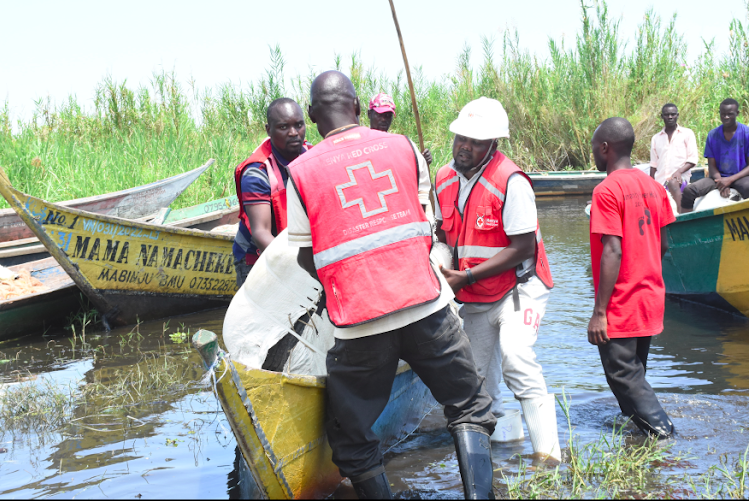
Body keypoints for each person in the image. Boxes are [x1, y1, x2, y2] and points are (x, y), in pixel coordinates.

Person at [287, 71, 496, 500]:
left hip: (360, 321)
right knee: (468, 404)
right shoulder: (403, 148)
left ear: (310, 116)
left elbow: (306, 255)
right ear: (359, 106)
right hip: (425, 305)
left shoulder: (300, 172)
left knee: (350, 437)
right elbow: (425, 223)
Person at [434, 97, 560, 460]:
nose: (464, 146)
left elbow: (523, 248)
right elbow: (446, 234)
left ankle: (548, 458)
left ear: (494, 144)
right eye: (461, 138)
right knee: (474, 380)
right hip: (473, 293)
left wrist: (466, 275)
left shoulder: (511, 181)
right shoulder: (444, 179)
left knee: (517, 358)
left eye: (475, 141)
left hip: (519, 289)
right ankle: (501, 454)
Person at [587, 117, 675, 438]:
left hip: (622, 303)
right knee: (635, 374)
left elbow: (613, 250)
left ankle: (666, 437)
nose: (594, 153)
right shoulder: (655, 188)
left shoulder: (606, 190)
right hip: (650, 298)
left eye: (595, 148)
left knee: (622, 374)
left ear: (606, 148)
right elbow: (664, 243)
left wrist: (600, 312)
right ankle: (639, 443)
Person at [232, 98, 311, 287]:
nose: (293, 133)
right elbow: (261, 233)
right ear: (269, 130)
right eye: (284, 127)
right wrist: (301, 268)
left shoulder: (312, 156)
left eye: (298, 125)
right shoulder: (257, 172)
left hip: (297, 247)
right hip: (258, 257)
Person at [681, 98, 749, 213]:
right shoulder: (713, 135)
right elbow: (711, 166)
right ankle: (684, 226)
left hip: (740, 177)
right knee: (689, 191)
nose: (726, 117)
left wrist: (730, 180)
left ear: (737, 113)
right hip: (717, 178)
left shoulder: (746, 133)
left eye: (730, 114)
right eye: (723, 114)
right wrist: (722, 182)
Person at [649, 103, 698, 212]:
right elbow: (654, 164)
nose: (670, 117)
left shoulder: (687, 134)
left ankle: (681, 213)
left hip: (680, 179)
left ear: (677, 115)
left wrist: (679, 172)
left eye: (673, 114)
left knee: (672, 183)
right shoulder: (656, 138)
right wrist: (650, 184)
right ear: (662, 117)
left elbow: (693, 160)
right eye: (667, 115)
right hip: (660, 182)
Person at [368, 92, 433, 165]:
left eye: (388, 115)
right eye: (380, 115)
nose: (384, 119)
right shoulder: (361, 143)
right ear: (369, 114)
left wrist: (422, 161)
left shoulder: (397, 144)